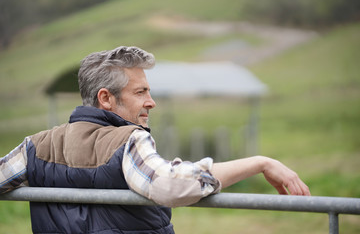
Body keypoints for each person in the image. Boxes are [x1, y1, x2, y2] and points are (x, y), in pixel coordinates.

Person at [0, 46, 310, 234]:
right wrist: (260, 162)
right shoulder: (129, 141)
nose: (151, 102)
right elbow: (172, 185)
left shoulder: (34, 146)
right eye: (140, 92)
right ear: (106, 98)